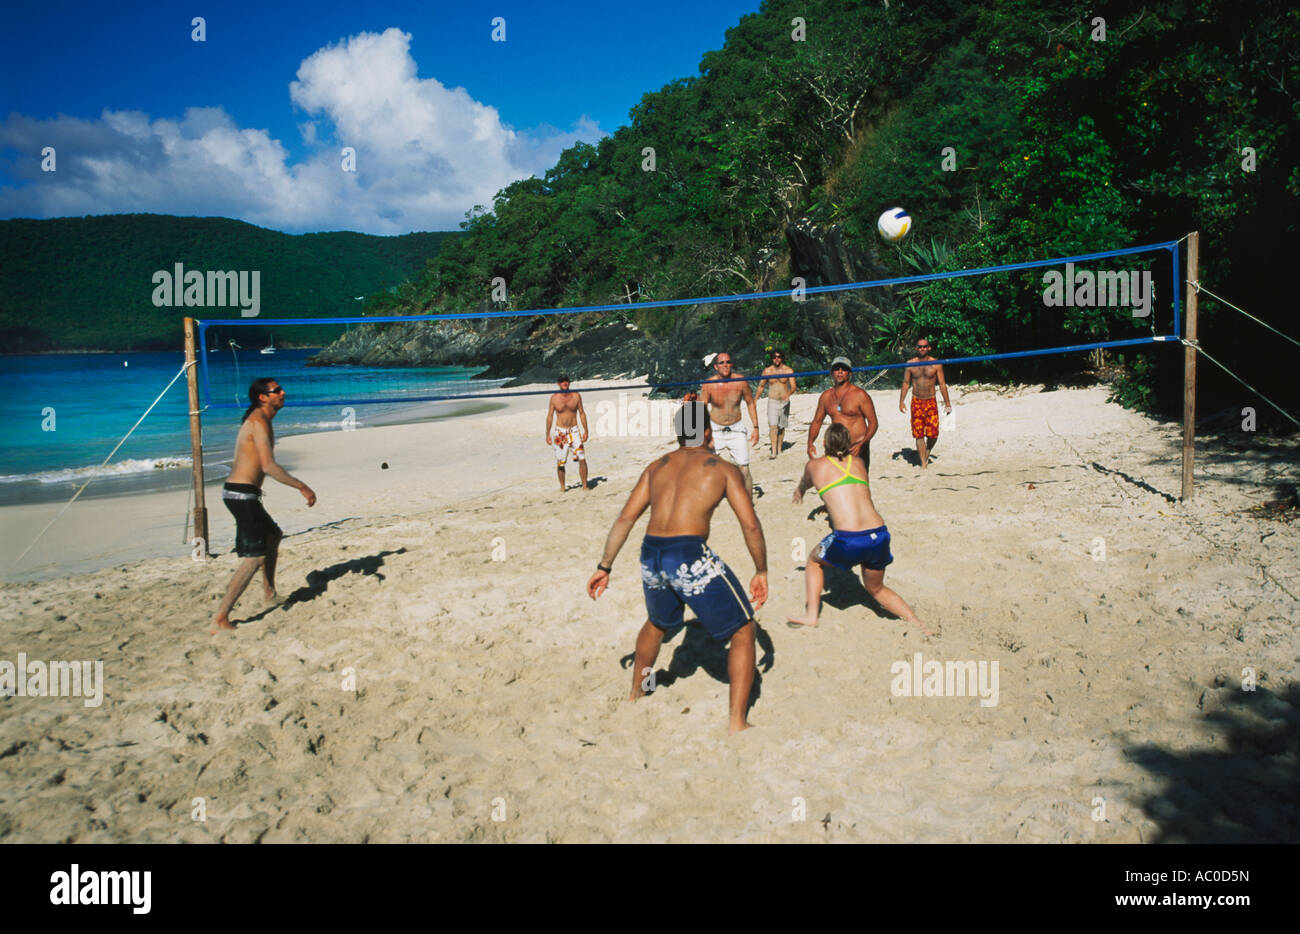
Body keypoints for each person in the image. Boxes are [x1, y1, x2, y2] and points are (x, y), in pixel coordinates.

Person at [587, 402, 768, 734]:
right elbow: (751, 526)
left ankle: (636, 693)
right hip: (687, 553)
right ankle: (737, 723)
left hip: (651, 553)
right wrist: (761, 570)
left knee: (658, 623)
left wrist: (605, 565)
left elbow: (626, 518)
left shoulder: (657, 466)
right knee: (743, 630)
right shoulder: (721, 468)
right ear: (708, 432)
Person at [788, 424, 932, 637]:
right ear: (849, 443)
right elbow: (853, 494)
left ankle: (811, 615)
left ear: (825, 443)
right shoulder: (859, 463)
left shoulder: (814, 465)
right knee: (876, 589)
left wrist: (799, 492)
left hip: (850, 539)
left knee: (813, 561)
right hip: (879, 534)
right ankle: (920, 626)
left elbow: (806, 482)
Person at [210, 378, 316, 634]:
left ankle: (269, 593)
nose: (283, 392)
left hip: (243, 494)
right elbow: (268, 466)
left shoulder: (262, 419)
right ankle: (220, 619)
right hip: (240, 496)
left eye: (281, 388)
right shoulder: (258, 421)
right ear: (263, 397)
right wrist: (301, 486)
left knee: (273, 535)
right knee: (254, 557)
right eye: (276, 390)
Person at [698, 352, 760, 497]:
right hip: (716, 430)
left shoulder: (740, 381)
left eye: (728, 362)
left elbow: (750, 403)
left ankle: (748, 503)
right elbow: (702, 409)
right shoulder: (709, 384)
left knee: (744, 469)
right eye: (722, 363)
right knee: (708, 467)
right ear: (716, 366)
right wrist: (703, 433)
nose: (725, 365)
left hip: (736, 429)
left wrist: (756, 428)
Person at [807, 355, 877, 470]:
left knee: (857, 485)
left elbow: (873, 423)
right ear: (832, 373)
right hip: (835, 448)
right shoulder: (826, 396)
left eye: (844, 369)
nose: (840, 372)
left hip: (857, 447)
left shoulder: (860, 395)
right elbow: (817, 421)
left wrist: (862, 444)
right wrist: (810, 443)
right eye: (836, 369)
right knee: (835, 483)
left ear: (850, 373)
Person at [899, 338, 952, 470]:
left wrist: (947, 403)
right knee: (918, 434)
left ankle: (927, 453)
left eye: (925, 347)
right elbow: (906, 383)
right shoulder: (910, 364)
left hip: (931, 400)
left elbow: (942, 384)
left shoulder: (936, 364)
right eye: (920, 347)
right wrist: (901, 401)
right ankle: (923, 462)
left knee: (933, 434)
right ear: (916, 348)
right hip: (916, 401)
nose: (922, 349)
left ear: (929, 348)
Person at [545, 376, 590, 492]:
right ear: (558, 383)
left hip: (574, 431)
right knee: (561, 462)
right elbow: (550, 416)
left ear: (569, 382)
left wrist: (586, 430)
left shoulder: (576, 396)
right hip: (560, 433)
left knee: (582, 458)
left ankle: (585, 485)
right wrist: (547, 434)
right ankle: (562, 487)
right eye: (562, 381)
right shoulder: (554, 398)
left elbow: (582, 413)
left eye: (566, 381)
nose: (564, 383)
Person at [756, 349, 797, 459]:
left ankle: (779, 448)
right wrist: (755, 399)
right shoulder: (767, 371)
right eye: (774, 357)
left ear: (782, 357)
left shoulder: (788, 370)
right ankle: (774, 451)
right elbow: (761, 386)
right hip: (772, 401)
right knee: (773, 426)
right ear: (772, 358)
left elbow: (793, 386)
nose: (776, 358)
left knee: (781, 427)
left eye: (778, 356)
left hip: (784, 401)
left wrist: (788, 394)